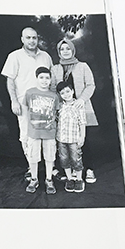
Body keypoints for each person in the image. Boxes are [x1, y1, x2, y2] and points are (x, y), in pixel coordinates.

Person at [1, 27, 53, 178]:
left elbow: (52, 79)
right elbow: (10, 80)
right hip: (24, 103)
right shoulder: (14, 56)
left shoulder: (45, 56)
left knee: (46, 136)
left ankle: (50, 168)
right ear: (22, 39)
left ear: (38, 39)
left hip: (44, 103)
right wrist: (14, 101)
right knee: (26, 136)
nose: (32, 40)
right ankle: (32, 167)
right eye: (28, 37)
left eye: (34, 37)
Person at [50, 38, 98, 183]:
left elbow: (90, 85)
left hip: (81, 107)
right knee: (64, 141)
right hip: (64, 110)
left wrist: (81, 99)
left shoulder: (83, 66)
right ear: (59, 52)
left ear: (73, 50)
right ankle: (69, 170)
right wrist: (58, 106)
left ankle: (89, 169)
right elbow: (53, 89)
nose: (65, 51)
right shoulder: (55, 69)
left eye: (68, 48)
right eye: (62, 49)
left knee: (84, 140)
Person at [24, 67, 60, 194]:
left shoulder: (54, 96)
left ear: (50, 80)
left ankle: (49, 179)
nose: (44, 80)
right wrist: (26, 129)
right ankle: (34, 179)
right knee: (33, 156)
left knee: (50, 156)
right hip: (34, 131)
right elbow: (25, 111)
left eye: (47, 78)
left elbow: (56, 113)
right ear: (36, 78)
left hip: (49, 132)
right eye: (41, 77)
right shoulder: (30, 93)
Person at [56, 81, 87, 193]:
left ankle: (79, 179)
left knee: (76, 159)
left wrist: (82, 137)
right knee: (64, 159)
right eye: (62, 93)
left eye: (68, 91)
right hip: (61, 139)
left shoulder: (78, 105)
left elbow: (82, 122)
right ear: (60, 95)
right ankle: (69, 179)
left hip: (74, 139)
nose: (66, 94)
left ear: (73, 91)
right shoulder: (60, 106)